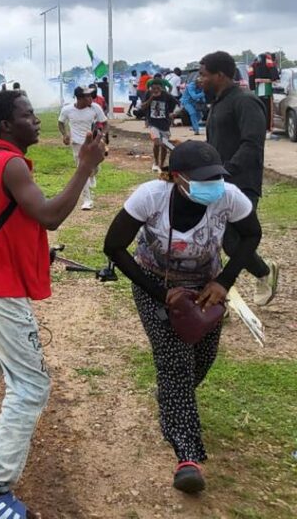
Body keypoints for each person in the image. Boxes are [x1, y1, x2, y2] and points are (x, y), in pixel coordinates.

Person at [0, 90, 105, 519]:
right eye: (29, 116)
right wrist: (85, 167)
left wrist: (34, 252)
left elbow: (1, 219)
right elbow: (48, 215)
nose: (38, 121)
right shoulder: (9, 163)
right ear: (7, 125)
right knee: (31, 386)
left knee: (1, 351)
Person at [103, 141, 261, 494]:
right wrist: (161, 293)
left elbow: (252, 234)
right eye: (202, 179)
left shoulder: (229, 197)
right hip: (155, 285)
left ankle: (173, 402)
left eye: (216, 177)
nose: (213, 184)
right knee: (175, 359)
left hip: (207, 287)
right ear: (177, 177)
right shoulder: (150, 197)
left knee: (201, 359)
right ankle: (187, 456)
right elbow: (113, 246)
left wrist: (224, 281)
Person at [200, 51, 279, 306]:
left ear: (220, 75)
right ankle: (216, 300)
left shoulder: (245, 101)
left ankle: (264, 273)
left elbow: (252, 144)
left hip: (241, 183)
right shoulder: (219, 103)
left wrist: (226, 170)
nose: (199, 80)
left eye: (203, 75)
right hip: (216, 182)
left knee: (234, 242)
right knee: (212, 240)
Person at [58, 86, 107, 210]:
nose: (91, 98)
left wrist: (102, 135)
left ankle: (92, 174)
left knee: (94, 168)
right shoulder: (67, 109)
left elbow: (105, 123)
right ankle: (87, 200)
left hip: (91, 142)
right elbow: (61, 122)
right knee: (82, 170)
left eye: (91, 96)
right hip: (76, 144)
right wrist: (65, 135)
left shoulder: (95, 108)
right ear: (80, 98)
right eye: (88, 96)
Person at [139, 78, 176, 172]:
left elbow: (176, 103)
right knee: (157, 142)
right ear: (150, 88)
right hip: (153, 123)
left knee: (164, 146)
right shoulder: (148, 94)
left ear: (162, 88)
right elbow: (143, 107)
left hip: (164, 124)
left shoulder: (166, 95)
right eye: (153, 88)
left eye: (157, 88)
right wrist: (151, 98)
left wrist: (172, 113)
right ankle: (155, 162)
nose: (155, 90)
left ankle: (161, 164)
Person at [249, 53, 280, 135]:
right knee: (268, 110)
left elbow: (251, 79)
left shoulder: (253, 64)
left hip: (257, 92)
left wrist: (255, 83)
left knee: (259, 110)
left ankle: (259, 128)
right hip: (266, 90)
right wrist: (270, 79)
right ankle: (268, 129)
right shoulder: (268, 60)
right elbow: (275, 78)